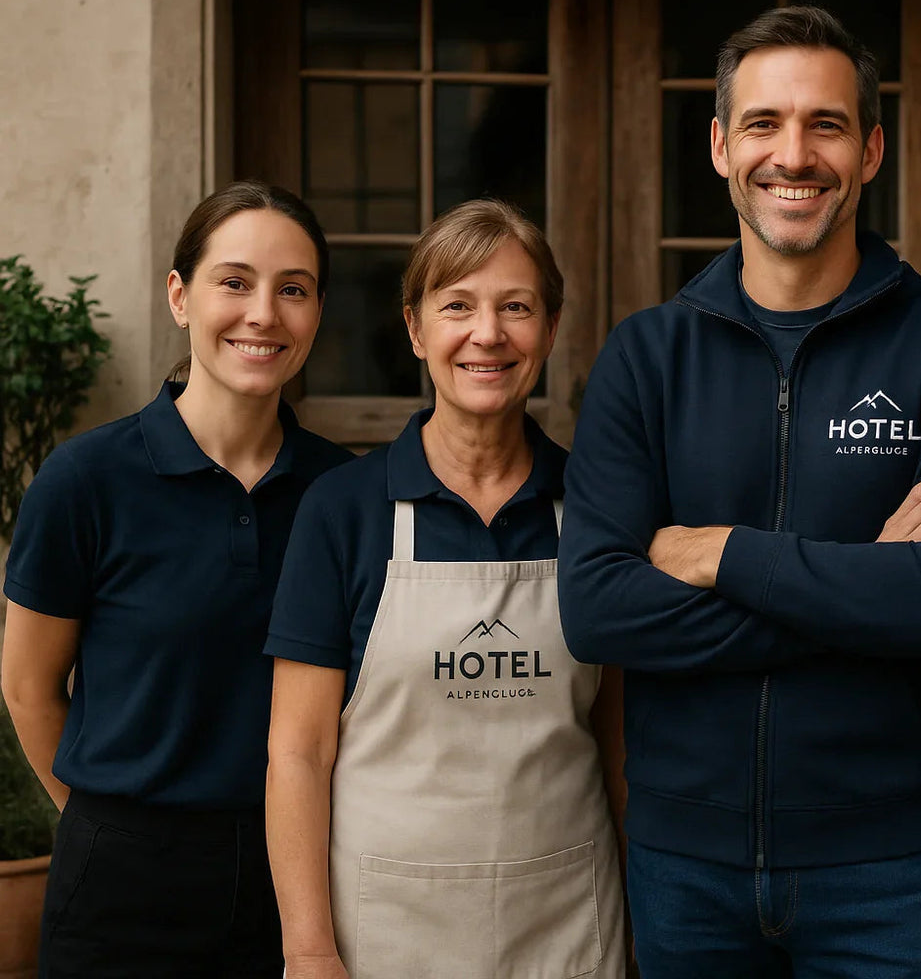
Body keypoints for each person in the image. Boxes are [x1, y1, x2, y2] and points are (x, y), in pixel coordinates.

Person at [559, 6, 921, 979]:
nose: (795, 153)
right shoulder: (646, 356)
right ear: (724, 146)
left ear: (871, 149)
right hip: (687, 867)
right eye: (766, 124)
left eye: (826, 124)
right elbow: (599, 608)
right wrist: (868, 579)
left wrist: (724, 554)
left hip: (893, 867)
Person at [263, 199, 627, 979]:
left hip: (566, 923)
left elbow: (619, 738)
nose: (487, 334)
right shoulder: (343, 510)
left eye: (516, 307)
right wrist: (308, 948)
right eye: (457, 305)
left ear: (551, 329)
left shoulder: (597, 508)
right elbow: (298, 750)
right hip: (386, 932)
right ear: (416, 329)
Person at [0, 181, 351, 977]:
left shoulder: (339, 493)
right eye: (234, 282)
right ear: (180, 296)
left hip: (299, 879)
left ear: (317, 312)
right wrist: (113, 827)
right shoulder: (86, 480)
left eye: (292, 290)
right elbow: (28, 687)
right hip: (123, 890)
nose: (263, 313)